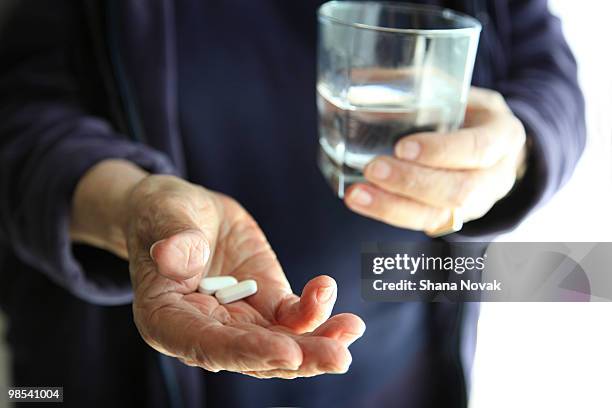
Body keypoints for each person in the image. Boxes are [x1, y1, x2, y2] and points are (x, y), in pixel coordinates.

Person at [0, 0, 585, 407]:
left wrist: (516, 148)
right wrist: (132, 206)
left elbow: (547, 73)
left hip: (402, 367)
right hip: (130, 376)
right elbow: (22, 120)